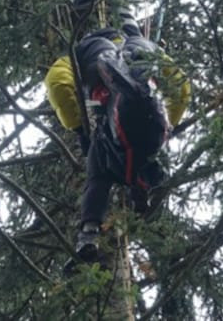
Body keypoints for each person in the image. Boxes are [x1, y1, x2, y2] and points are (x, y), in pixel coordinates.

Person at [44, 18, 190, 261]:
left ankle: (89, 231)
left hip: (110, 117)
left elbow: (57, 82)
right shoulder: (149, 47)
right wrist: (170, 124)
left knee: (98, 174)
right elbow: (181, 87)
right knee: (146, 151)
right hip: (152, 115)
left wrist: (78, 125)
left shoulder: (81, 51)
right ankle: (142, 189)